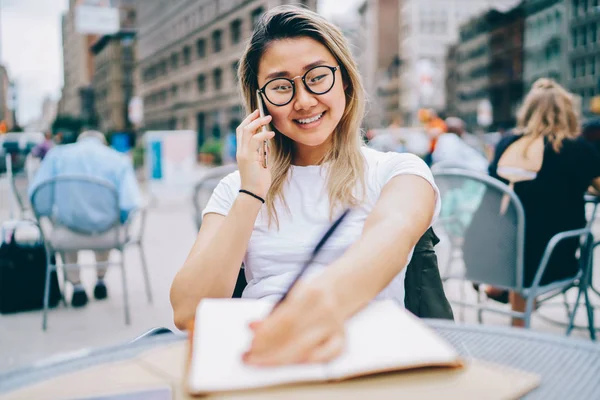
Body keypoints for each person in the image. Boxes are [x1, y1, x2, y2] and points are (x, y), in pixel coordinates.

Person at [170, 6, 440, 366]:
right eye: (281, 86)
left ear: (344, 79)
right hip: (260, 357)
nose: (304, 101)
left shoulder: (398, 172)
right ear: (261, 101)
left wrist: (302, 317)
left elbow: (392, 236)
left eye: (317, 77)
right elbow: (188, 310)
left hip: (364, 357)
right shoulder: (235, 188)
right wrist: (251, 192)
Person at [464, 78, 600, 326]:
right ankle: (519, 308)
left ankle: (510, 297)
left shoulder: (507, 144)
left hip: (494, 258)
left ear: (527, 112)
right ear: (569, 113)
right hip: (553, 259)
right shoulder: (577, 149)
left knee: (522, 240)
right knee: (536, 243)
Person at [28, 130, 141, 307]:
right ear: (102, 142)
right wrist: (121, 220)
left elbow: (38, 198)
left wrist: (49, 217)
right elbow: (129, 204)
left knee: (64, 224)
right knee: (109, 221)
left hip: (68, 234)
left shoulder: (58, 156)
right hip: (108, 236)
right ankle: (101, 279)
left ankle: (77, 285)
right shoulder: (118, 159)